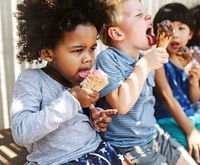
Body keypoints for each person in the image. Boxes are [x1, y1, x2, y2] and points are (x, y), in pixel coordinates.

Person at [10, 0, 124, 164]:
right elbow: (21, 133)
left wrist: (94, 119)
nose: (89, 58)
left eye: (92, 48)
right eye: (78, 50)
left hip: (97, 152)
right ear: (48, 54)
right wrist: (71, 100)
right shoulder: (32, 80)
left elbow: (73, 123)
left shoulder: (78, 79)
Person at [93, 0, 197, 164]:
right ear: (118, 34)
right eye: (139, 15)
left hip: (155, 135)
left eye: (145, 13)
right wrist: (145, 65)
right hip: (127, 146)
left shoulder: (144, 59)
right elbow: (121, 105)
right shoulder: (107, 59)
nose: (149, 16)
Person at [153, 3, 200, 164]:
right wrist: (191, 131)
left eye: (181, 28)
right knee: (193, 150)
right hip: (167, 118)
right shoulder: (158, 59)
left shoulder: (190, 60)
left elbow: (194, 100)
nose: (175, 34)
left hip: (191, 115)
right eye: (170, 29)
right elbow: (167, 97)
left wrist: (194, 84)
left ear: (190, 33)